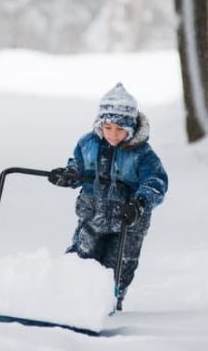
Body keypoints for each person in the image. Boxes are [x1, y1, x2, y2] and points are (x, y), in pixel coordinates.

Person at [48, 83, 168, 311]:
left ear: (131, 128)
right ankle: (68, 300)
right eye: (108, 127)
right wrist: (69, 176)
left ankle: (108, 303)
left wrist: (140, 203)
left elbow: (156, 182)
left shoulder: (143, 154)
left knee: (120, 264)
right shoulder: (88, 143)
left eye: (120, 129)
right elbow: (78, 168)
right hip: (94, 215)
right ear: (100, 124)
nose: (113, 134)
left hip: (128, 221)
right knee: (80, 256)